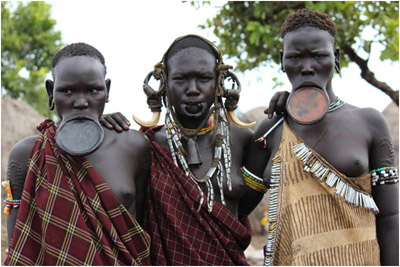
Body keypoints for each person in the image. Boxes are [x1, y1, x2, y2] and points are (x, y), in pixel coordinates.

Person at [244, 9, 399, 266]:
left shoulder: (369, 122)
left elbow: (391, 217)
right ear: (282, 61)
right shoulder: (270, 129)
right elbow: (238, 209)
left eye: (318, 56)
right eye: (294, 57)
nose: (307, 67)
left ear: (335, 58)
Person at [103, 34, 268, 265]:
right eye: (180, 79)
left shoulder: (243, 140)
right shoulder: (143, 146)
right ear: (164, 85)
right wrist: (97, 128)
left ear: (219, 82)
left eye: (204, 78)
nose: (193, 89)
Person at [4, 43, 151, 266]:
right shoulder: (28, 154)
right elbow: (19, 248)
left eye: (93, 90)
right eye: (67, 91)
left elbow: (143, 232)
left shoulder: (133, 146)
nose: (81, 102)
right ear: (50, 91)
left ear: (107, 91)